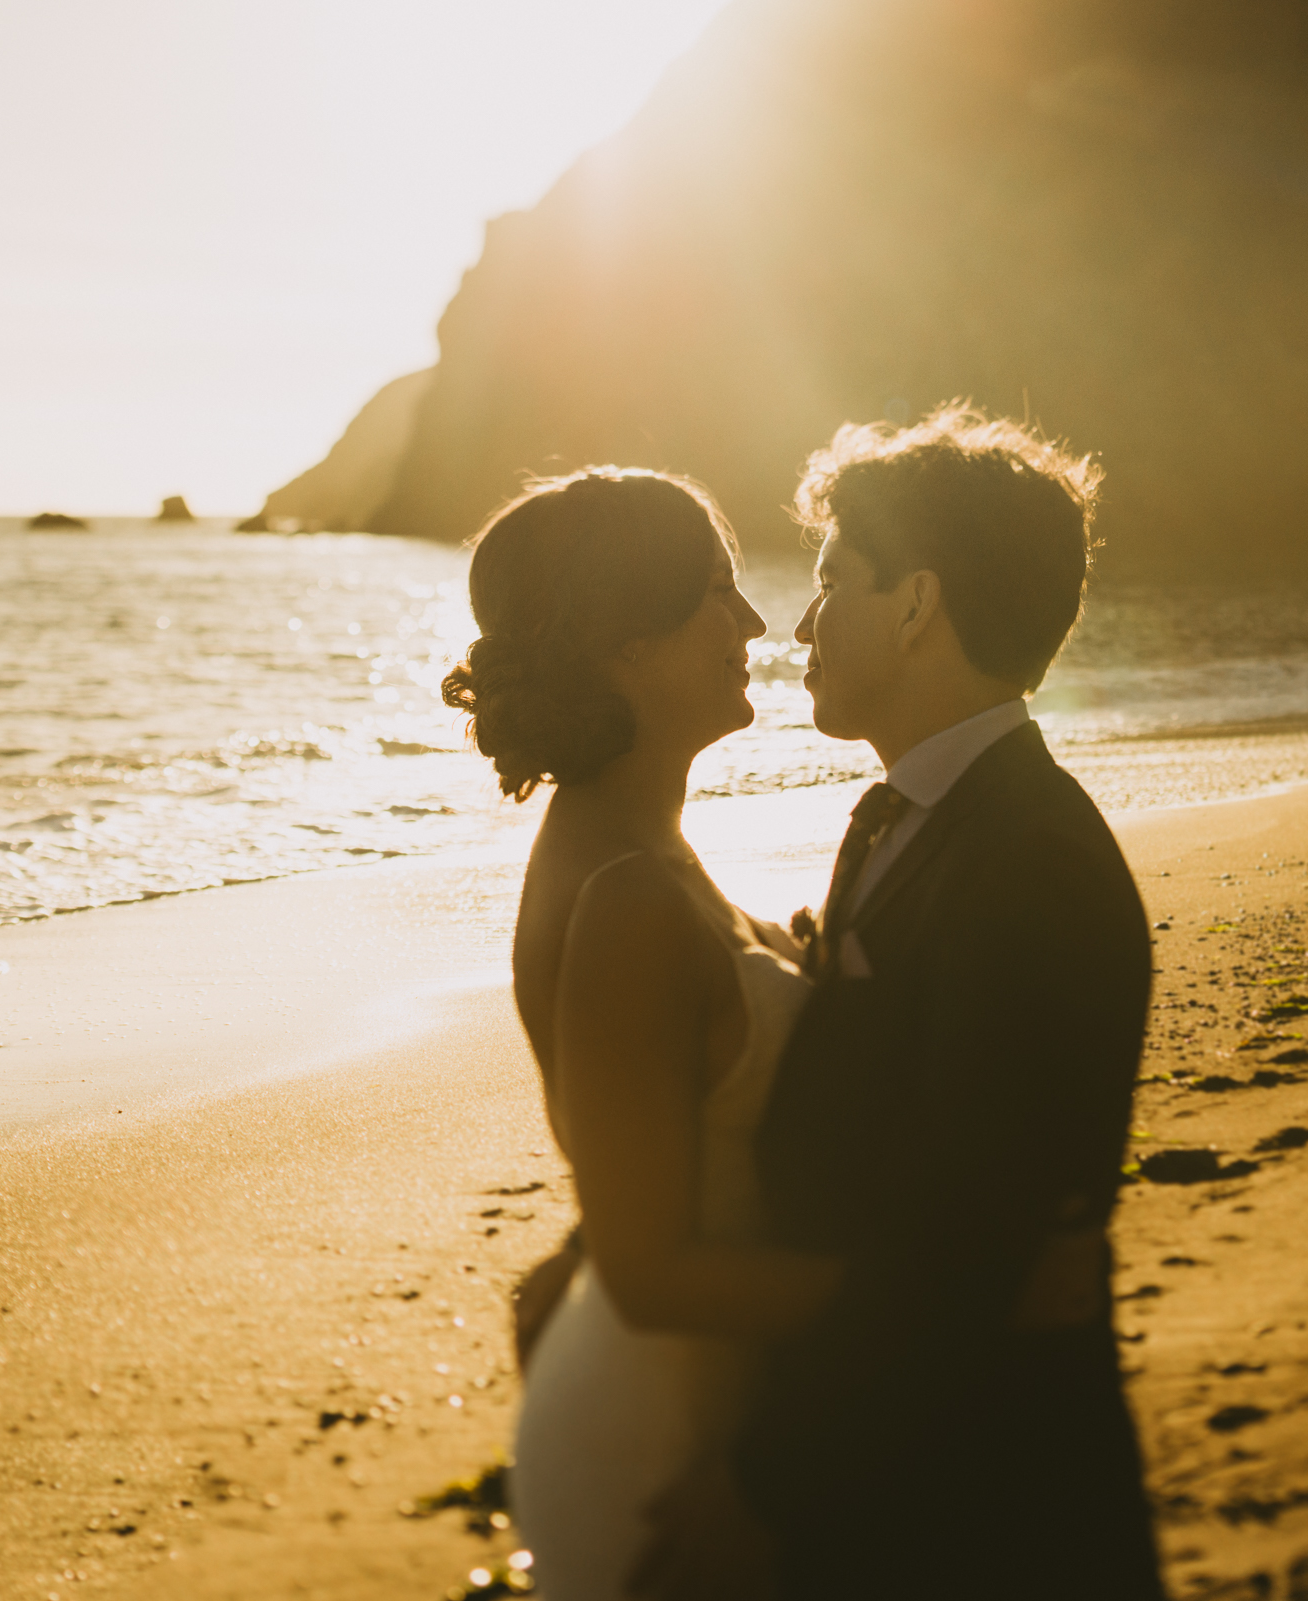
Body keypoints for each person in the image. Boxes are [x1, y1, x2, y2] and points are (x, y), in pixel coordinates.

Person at [662, 406, 1167, 1599]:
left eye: (832, 579)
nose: (800, 623)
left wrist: (767, 1487)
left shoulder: (1031, 857)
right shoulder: (898, 816)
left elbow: (957, 1252)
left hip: (979, 1495)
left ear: (916, 604)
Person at [442, 468, 839, 1601]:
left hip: (716, 1387)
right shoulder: (622, 891)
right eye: (718, 590)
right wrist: (941, 1292)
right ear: (625, 643)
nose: (754, 621)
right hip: (661, 1433)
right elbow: (648, 1268)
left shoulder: (643, 845)